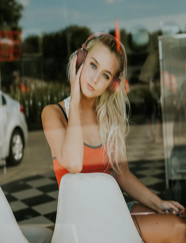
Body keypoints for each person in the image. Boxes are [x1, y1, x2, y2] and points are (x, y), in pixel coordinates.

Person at [42, 33, 186, 243]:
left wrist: (159, 203)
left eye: (105, 75)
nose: (94, 79)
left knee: (176, 216)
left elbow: (123, 175)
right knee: (177, 229)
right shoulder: (53, 113)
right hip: (84, 222)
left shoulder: (108, 118)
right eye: (92, 65)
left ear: (111, 84)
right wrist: (75, 100)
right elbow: (73, 163)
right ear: (79, 60)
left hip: (113, 209)